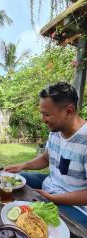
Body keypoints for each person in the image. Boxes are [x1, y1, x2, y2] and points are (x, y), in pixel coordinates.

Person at [5, 81, 87, 227]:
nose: (42, 119)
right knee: (10, 181)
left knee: (33, 224)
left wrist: (54, 199)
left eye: (46, 114)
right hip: (50, 185)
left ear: (69, 111)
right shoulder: (55, 131)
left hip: (77, 207)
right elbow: (46, 158)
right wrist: (23, 166)